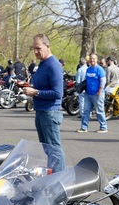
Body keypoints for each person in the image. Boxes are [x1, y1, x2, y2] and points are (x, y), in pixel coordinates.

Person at [21, 34, 65, 171]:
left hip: (50, 113)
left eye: (38, 48)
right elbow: (43, 85)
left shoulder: (53, 65)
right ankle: (52, 175)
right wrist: (28, 86)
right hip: (41, 111)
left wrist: (35, 92)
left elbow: (58, 93)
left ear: (47, 46)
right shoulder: (42, 63)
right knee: (48, 149)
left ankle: (58, 179)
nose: (35, 52)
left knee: (54, 150)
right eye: (33, 48)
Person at [77, 53, 107, 134]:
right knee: (86, 111)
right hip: (88, 93)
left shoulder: (100, 69)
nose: (92, 60)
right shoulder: (88, 69)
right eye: (91, 58)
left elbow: (103, 81)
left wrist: (99, 91)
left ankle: (103, 127)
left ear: (96, 59)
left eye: (94, 58)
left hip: (97, 94)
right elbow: (86, 80)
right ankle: (84, 127)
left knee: (99, 111)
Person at [75, 57, 88, 123]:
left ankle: (82, 114)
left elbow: (78, 80)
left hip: (82, 87)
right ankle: (89, 113)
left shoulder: (80, 70)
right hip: (88, 87)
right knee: (87, 101)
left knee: (82, 101)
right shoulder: (88, 69)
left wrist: (77, 87)